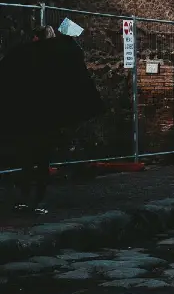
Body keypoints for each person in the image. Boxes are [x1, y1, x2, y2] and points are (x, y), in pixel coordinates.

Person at [1, 24, 101, 215]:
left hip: (29, 120)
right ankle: (36, 199)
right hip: (43, 121)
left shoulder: (23, 55)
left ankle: (28, 198)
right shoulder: (54, 58)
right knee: (39, 161)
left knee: (29, 161)